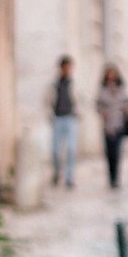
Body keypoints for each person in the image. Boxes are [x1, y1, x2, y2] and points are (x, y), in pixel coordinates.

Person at [96, 64, 128, 189]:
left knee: (117, 153)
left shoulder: (122, 89)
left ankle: (116, 179)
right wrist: (102, 112)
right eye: (109, 74)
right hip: (107, 126)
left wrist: (126, 108)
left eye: (113, 74)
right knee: (109, 153)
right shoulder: (103, 89)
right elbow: (97, 104)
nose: (111, 77)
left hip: (120, 125)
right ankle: (111, 177)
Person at [50, 55, 78, 188]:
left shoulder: (74, 83)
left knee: (71, 149)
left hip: (71, 119)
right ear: (61, 67)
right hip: (57, 118)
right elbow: (47, 100)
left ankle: (69, 178)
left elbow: (80, 99)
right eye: (65, 66)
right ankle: (56, 173)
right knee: (56, 150)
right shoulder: (55, 84)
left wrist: (78, 113)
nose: (68, 69)